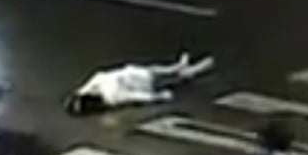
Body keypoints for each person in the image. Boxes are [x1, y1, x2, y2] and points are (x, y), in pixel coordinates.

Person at [64, 53, 214, 116]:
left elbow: (135, 96)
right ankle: (199, 67)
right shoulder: (106, 89)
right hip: (142, 78)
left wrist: (158, 97)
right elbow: (135, 96)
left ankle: (181, 66)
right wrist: (159, 96)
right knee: (175, 76)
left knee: (168, 72)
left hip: (140, 77)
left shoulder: (108, 94)